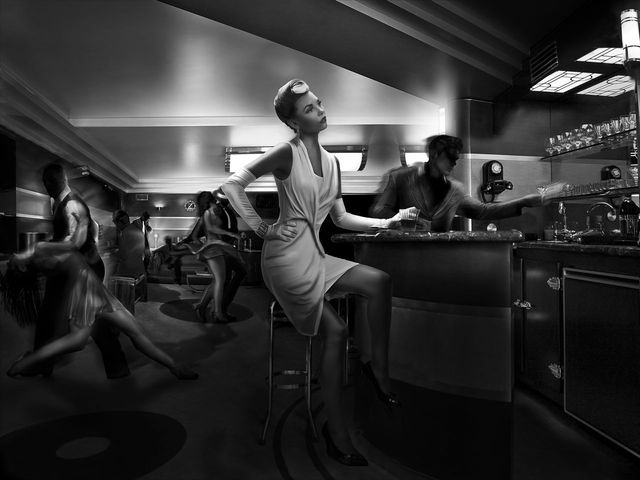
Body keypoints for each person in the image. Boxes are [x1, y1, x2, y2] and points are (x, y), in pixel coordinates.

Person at [221, 79, 417, 467]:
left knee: (379, 282)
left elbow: (340, 217)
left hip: (314, 254)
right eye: (310, 108)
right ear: (294, 122)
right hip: (284, 260)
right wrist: (261, 228)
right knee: (337, 331)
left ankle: (377, 368)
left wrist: (388, 222)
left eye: (319, 103)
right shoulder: (285, 152)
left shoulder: (332, 162)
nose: (321, 110)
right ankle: (337, 434)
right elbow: (232, 184)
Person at [2, 216, 198, 381]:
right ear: (21, 267)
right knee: (79, 340)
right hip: (84, 290)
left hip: (94, 288)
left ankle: (174, 367)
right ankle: (29, 361)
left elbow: (70, 250)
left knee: (135, 331)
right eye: (11, 263)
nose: (11, 257)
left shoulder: (40, 255)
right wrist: (83, 224)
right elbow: (72, 246)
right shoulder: (40, 251)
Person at [34, 163, 129, 379]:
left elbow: (73, 243)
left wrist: (46, 256)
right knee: (51, 313)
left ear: (62, 180)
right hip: (75, 266)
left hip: (85, 267)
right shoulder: (57, 202)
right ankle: (43, 363)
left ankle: (117, 364)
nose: (48, 185)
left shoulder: (71, 204)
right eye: (45, 182)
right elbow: (66, 236)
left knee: (89, 316)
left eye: (51, 181)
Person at [370, 134, 549, 231]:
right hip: (404, 254)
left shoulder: (455, 189)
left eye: (456, 159)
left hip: (442, 258)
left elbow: (483, 211)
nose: (454, 163)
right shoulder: (400, 177)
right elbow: (378, 210)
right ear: (435, 155)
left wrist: (523, 201)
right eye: (450, 157)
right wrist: (403, 221)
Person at [190, 191, 244, 324]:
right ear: (210, 199)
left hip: (217, 247)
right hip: (213, 248)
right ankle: (218, 313)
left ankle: (203, 307)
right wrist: (230, 234)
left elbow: (197, 235)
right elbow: (211, 229)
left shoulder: (211, 211)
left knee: (218, 281)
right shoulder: (208, 212)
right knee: (220, 281)